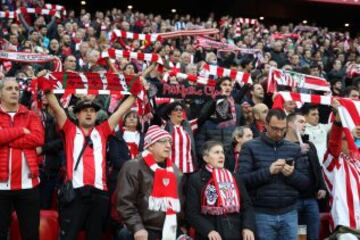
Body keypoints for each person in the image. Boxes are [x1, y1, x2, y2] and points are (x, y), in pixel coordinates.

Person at [43, 76, 139, 240]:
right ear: (77, 115)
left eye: (92, 111)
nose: (89, 113)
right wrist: (45, 84)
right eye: (85, 110)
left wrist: (136, 90)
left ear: (96, 115)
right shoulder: (69, 129)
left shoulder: (102, 130)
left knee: (95, 236)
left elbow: (122, 110)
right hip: (75, 193)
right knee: (69, 236)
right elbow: (56, 107)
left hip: (99, 193)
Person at [238, 109, 311, 240]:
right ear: (265, 125)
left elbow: (306, 183)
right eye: (274, 128)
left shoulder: (294, 148)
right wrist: (268, 172)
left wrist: (292, 174)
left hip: (290, 212)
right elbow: (242, 181)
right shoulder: (249, 147)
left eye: (282, 129)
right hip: (261, 213)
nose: (279, 133)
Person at [117, 125, 182, 240]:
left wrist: (182, 226)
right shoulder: (133, 166)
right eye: (162, 142)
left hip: (170, 229)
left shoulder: (174, 170)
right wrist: (137, 227)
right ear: (150, 145)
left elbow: (182, 200)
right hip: (144, 229)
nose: (168, 146)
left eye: (170, 142)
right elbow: (125, 202)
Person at [0, 77, 44, 240]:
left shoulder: (31, 115)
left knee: (31, 233)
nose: (14, 91)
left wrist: (6, 139)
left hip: (28, 184)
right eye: (9, 88)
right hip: (1, 186)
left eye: (16, 89)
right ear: (0, 93)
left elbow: (38, 139)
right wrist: (20, 130)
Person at [186, 140, 255, 240]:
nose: (221, 156)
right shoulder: (196, 179)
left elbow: (246, 205)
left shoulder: (234, 177)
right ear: (206, 158)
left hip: (236, 231)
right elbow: (191, 212)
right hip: (210, 234)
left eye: (222, 152)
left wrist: (247, 227)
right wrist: (208, 230)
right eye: (216, 152)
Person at [285, 112, 327, 240]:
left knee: (313, 235)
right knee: (300, 237)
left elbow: (316, 168)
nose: (305, 125)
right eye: (301, 122)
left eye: (305, 122)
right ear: (290, 124)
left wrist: (322, 186)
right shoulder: (283, 146)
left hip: (311, 199)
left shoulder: (310, 145)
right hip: (293, 200)